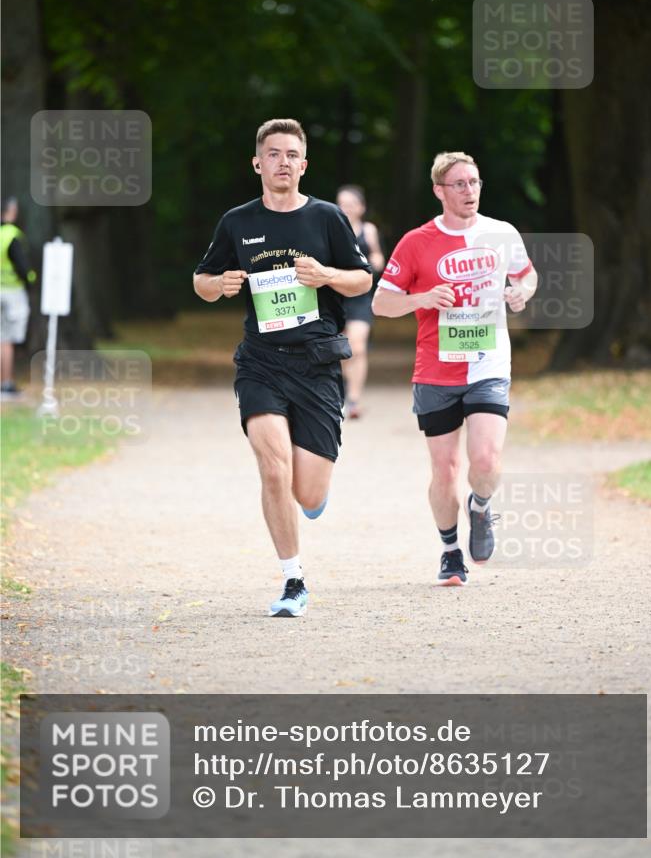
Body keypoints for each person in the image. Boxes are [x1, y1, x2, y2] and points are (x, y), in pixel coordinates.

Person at [193, 119, 372, 617]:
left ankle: (312, 498)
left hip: (316, 365)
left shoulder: (327, 218)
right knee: (274, 470)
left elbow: (362, 280)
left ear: (304, 164)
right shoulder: (237, 222)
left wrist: (328, 275)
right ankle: (293, 581)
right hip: (261, 363)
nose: (283, 162)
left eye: (292, 154)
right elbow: (201, 281)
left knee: (306, 490)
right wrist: (220, 285)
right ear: (258, 163)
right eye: (274, 154)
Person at [372, 151, 537, 586]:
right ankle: (450, 552)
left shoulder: (501, 233)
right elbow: (380, 302)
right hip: (435, 370)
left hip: (489, 364)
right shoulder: (415, 242)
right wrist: (420, 299)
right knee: (444, 469)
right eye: (459, 184)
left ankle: (480, 506)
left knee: (485, 459)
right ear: (439, 191)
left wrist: (520, 292)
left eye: (475, 182)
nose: (469, 191)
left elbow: (527, 275)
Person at [335, 185, 384, 418]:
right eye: (341, 204)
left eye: (350, 204)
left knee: (358, 347)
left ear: (361, 208)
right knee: (341, 349)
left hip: (361, 296)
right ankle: (343, 393)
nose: (346, 208)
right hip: (336, 295)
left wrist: (374, 263)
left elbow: (377, 256)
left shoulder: (368, 229)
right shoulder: (332, 227)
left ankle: (353, 400)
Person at [1, 198, 36, 396]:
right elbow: (23, 267)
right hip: (11, 293)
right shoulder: (11, 236)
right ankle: (6, 383)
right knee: (6, 339)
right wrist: (32, 279)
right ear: (11, 211)